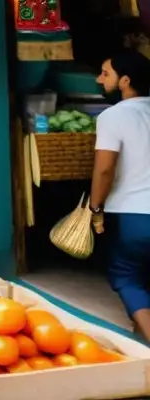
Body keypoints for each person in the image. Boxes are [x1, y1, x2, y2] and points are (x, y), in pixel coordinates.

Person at [89, 49, 150, 341]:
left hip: (134, 215)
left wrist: (95, 207)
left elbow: (104, 170)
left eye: (105, 74)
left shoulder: (113, 117)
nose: (99, 80)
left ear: (125, 80)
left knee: (126, 276)